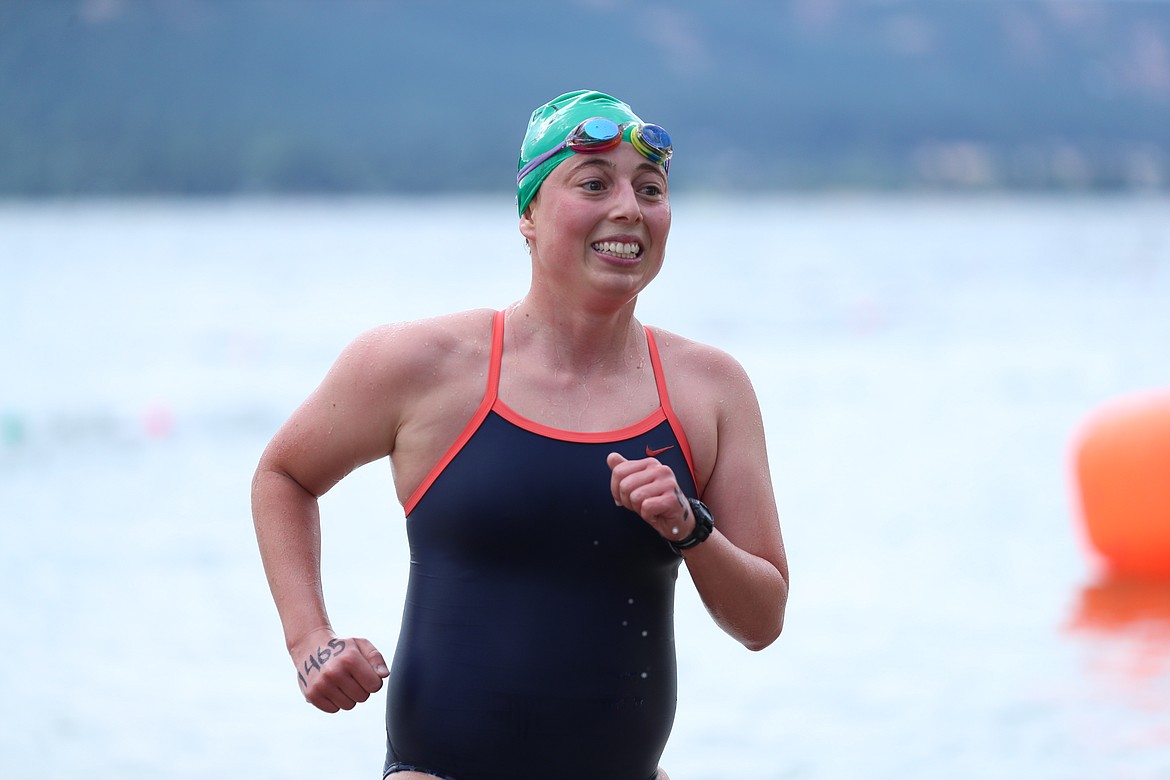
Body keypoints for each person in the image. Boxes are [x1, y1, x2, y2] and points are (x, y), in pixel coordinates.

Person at [251, 89, 789, 780]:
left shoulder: (709, 388)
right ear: (528, 214)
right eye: (594, 183)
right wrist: (310, 640)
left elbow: (762, 619)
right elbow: (284, 476)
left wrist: (691, 528)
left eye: (649, 188)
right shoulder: (423, 366)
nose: (629, 207)